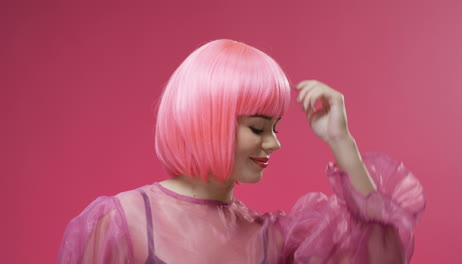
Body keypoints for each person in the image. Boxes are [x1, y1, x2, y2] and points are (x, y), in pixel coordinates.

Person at [58, 39, 425, 264]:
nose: (275, 142)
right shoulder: (121, 224)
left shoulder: (273, 238)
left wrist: (342, 143)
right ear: (208, 119)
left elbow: (381, 255)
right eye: (258, 127)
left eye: (276, 128)